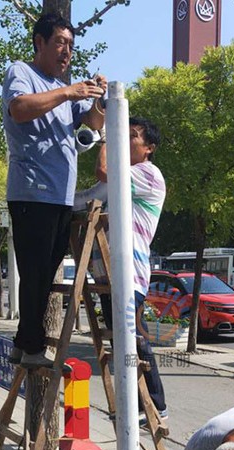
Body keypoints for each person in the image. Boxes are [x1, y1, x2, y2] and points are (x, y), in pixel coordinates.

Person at [2, 12, 107, 368]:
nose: (66, 52)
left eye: (71, 46)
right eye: (60, 42)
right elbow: (19, 109)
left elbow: (92, 124)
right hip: (32, 192)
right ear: (40, 42)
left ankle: (22, 343)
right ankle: (31, 348)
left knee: (45, 274)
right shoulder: (22, 72)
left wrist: (97, 100)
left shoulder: (67, 92)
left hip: (61, 196)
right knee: (34, 273)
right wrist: (68, 91)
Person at [92, 117, 168, 423]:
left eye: (132, 136)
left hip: (129, 272)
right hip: (109, 271)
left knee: (133, 337)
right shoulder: (126, 178)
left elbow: (103, 171)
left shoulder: (147, 174)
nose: (126, 140)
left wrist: (105, 138)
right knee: (120, 339)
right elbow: (92, 193)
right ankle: (135, 401)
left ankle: (156, 404)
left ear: (149, 149)